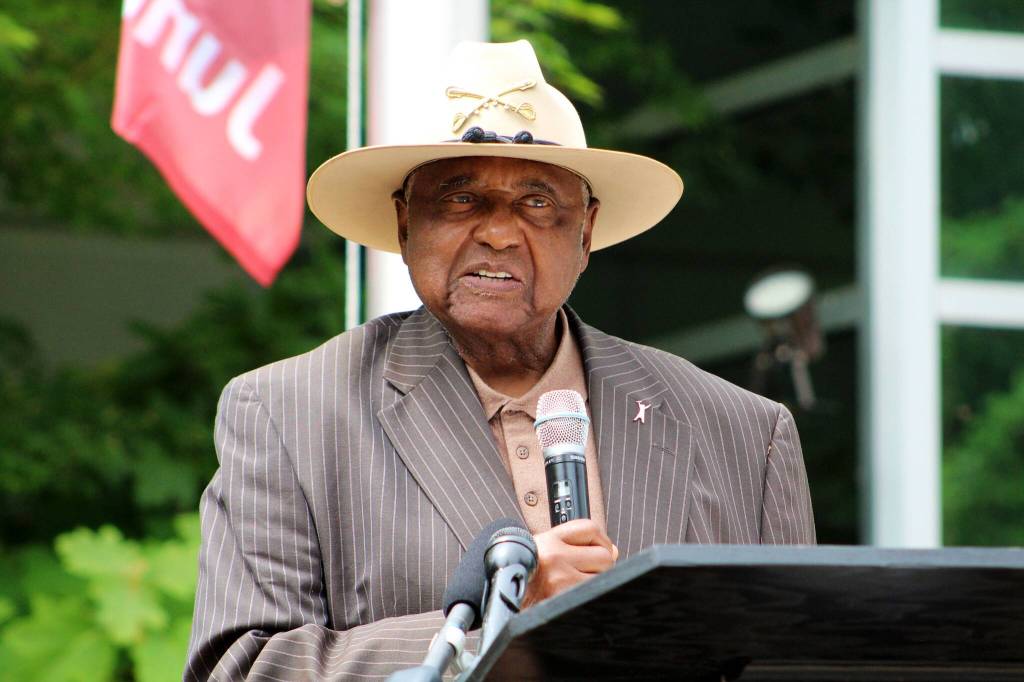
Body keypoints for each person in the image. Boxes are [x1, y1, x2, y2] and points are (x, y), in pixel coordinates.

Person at [184, 40, 815, 681]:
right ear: (405, 223)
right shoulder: (290, 413)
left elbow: (803, 664)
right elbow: (241, 668)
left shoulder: (745, 433)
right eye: (461, 199)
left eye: (537, 203)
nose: (498, 233)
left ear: (586, 231)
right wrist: (502, 621)